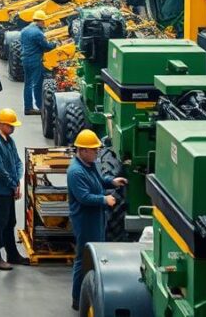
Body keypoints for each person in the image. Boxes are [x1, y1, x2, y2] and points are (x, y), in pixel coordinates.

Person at [67, 129, 128, 311]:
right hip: (85, 220)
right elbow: (84, 197)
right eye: (94, 150)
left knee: (96, 254)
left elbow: (100, 181)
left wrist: (113, 181)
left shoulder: (90, 164)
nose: (97, 152)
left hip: (97, 216)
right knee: (83, 258)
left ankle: (91, 291)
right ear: (83, 150)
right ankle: (78, 298)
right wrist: (104, 199)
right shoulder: (75, 172)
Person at [0, 109, 29, 270]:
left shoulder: (9, 140)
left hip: (9, 187)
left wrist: (17, 183)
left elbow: (17, 162)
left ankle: (13, 255)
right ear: (1, 124)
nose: (13, 129)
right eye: (10, 126)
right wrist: (13, 184)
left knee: (10, 221)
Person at [20, 9, 56, 116]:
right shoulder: (38, 33)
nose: (44, 24)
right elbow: (46, 47)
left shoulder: (24, 30)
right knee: (37, 84)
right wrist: (55, 44)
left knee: (27, 84)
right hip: (35, 60)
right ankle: (40, 106)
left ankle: (28, 107)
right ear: (39, 21)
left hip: (25, 59)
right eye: (43, 21)